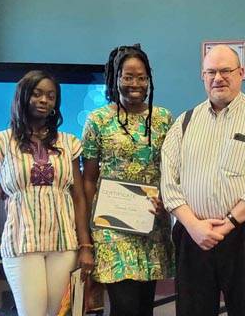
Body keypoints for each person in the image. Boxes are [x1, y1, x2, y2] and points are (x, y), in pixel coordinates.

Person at [160, 44, 245, 316]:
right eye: (211, 72)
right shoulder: (184, 122)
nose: (218, 78)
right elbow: (169, 184)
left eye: (226, 70)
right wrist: (194, 226)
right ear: (203, 76)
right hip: (192, 236)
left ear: (241, 73)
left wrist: (228, 223)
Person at [0, 70, 93, 316]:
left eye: (50, 96)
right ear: (23, 97)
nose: (44, 100)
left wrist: (85, 245)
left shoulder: (69, 143)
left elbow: (79, 197)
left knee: (56, 313)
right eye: (37, 94)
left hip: (63, 243)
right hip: (21, 242)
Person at [81, 44, 174, 316]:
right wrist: (86, 233)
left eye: (141, 77)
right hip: (111, 226)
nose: (135, 83)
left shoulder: (164, 118)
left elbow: (173, 170)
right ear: (115, 78)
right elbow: (88, 179)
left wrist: (167, 202)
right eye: (128, 76)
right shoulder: (97, 120)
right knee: (125, 306)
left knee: (143, 306)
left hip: (150, 225)